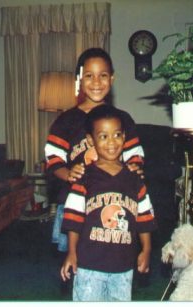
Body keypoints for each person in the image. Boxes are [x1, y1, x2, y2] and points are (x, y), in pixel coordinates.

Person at [45, 48, 144, 255]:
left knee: (111, 256)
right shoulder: (66, 121)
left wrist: (135, 166)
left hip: (112, 200)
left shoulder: (122, 119)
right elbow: (53, 159)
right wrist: (68, 174)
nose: (97, 82)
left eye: (103, 75)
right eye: (89, 76)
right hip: (76, 201)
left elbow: (134, 154)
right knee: (75, 260)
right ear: (79, 79)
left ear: (112, 79)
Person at [59, 105, 157, 301]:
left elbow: (145, 218)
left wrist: (146, 250)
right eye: (103, 136)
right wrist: (71, 252)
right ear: (90, 140)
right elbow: (73, 219)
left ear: (124, 137)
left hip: (123, 267)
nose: (111, 142)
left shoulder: (134, 179)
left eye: (117, 135)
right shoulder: (84, 177)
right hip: (88, 265)